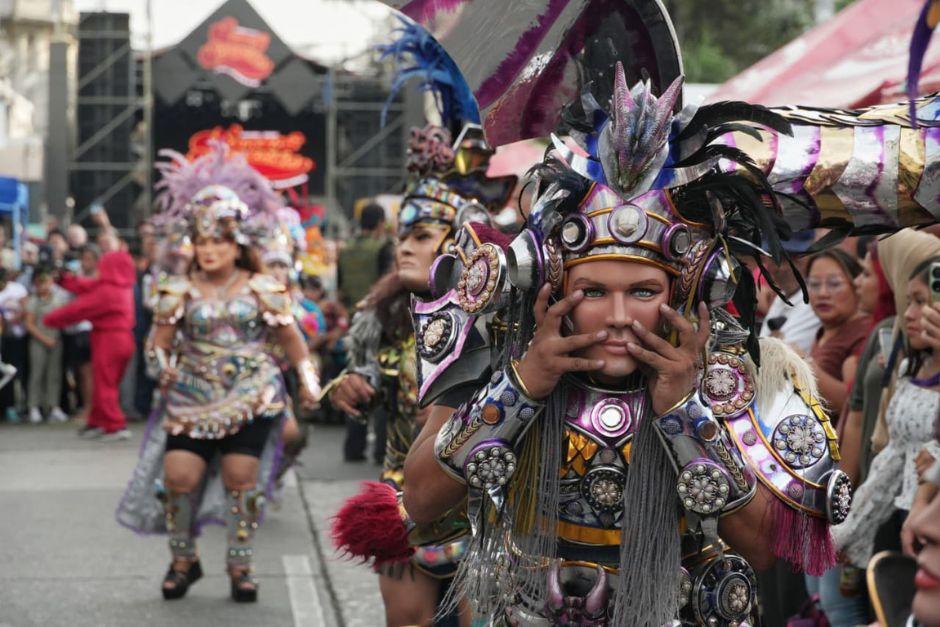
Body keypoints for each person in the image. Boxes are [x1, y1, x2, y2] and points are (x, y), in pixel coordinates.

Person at [116, 142, 320, 604]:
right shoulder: (178, 290)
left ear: (238, 243)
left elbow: (294, 344)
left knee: (240, 482)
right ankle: (183, 560)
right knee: (178, 480)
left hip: (251, 396)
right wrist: (161, 368)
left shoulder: (264, 287)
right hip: (190, 398)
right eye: (202, 241)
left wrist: (308, 386)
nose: (209, 250)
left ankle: (240, 564)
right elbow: (157, 344)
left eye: (218, 241)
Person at [43, 250, 136, 440]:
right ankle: (99, 421)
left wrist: (49, 319)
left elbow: (79, 308)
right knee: (105, 383)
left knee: (104, 385)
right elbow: (86, 286)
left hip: (110, 340)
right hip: (118, 339)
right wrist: (64, 280)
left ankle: (115, 425)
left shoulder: (108, 291)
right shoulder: (120, 286)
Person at [804, 249, 870, 419]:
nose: (822, 293)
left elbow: (853, 405)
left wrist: (805, 366)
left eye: (834, 284)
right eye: (814, 284)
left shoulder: (863, 333)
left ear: (857, 286)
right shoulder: (824, 331)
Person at [758, 230, 820, 355]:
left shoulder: (815, 300)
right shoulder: (782, 295)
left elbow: (779, 359)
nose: (778, 268)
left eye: (795, 257)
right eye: (772, 258)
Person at [23, 269, 69, 424]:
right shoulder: (33, 301)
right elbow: (29, 325)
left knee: (54, 375)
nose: (44, 286)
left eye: (47, 282)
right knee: (37, 374)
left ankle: (53, 406)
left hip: (55, 340)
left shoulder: (58, 299)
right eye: (41, 283)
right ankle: (34, 407)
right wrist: (44, 339)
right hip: (39, 341)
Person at [336, 202, 393, 309]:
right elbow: (387, 286)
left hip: (350, 313)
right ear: (380, 223)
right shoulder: (382, 248)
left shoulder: (345, 249)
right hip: (373, 312)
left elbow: (339, 290)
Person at [0, 266, 28, 422]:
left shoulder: (17, 289)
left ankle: (21, 407)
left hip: (17, 337)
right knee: (5, 373)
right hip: (2, 338)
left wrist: (15, 318)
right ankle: (7, 407)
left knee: (19, 372)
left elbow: (26, 308)